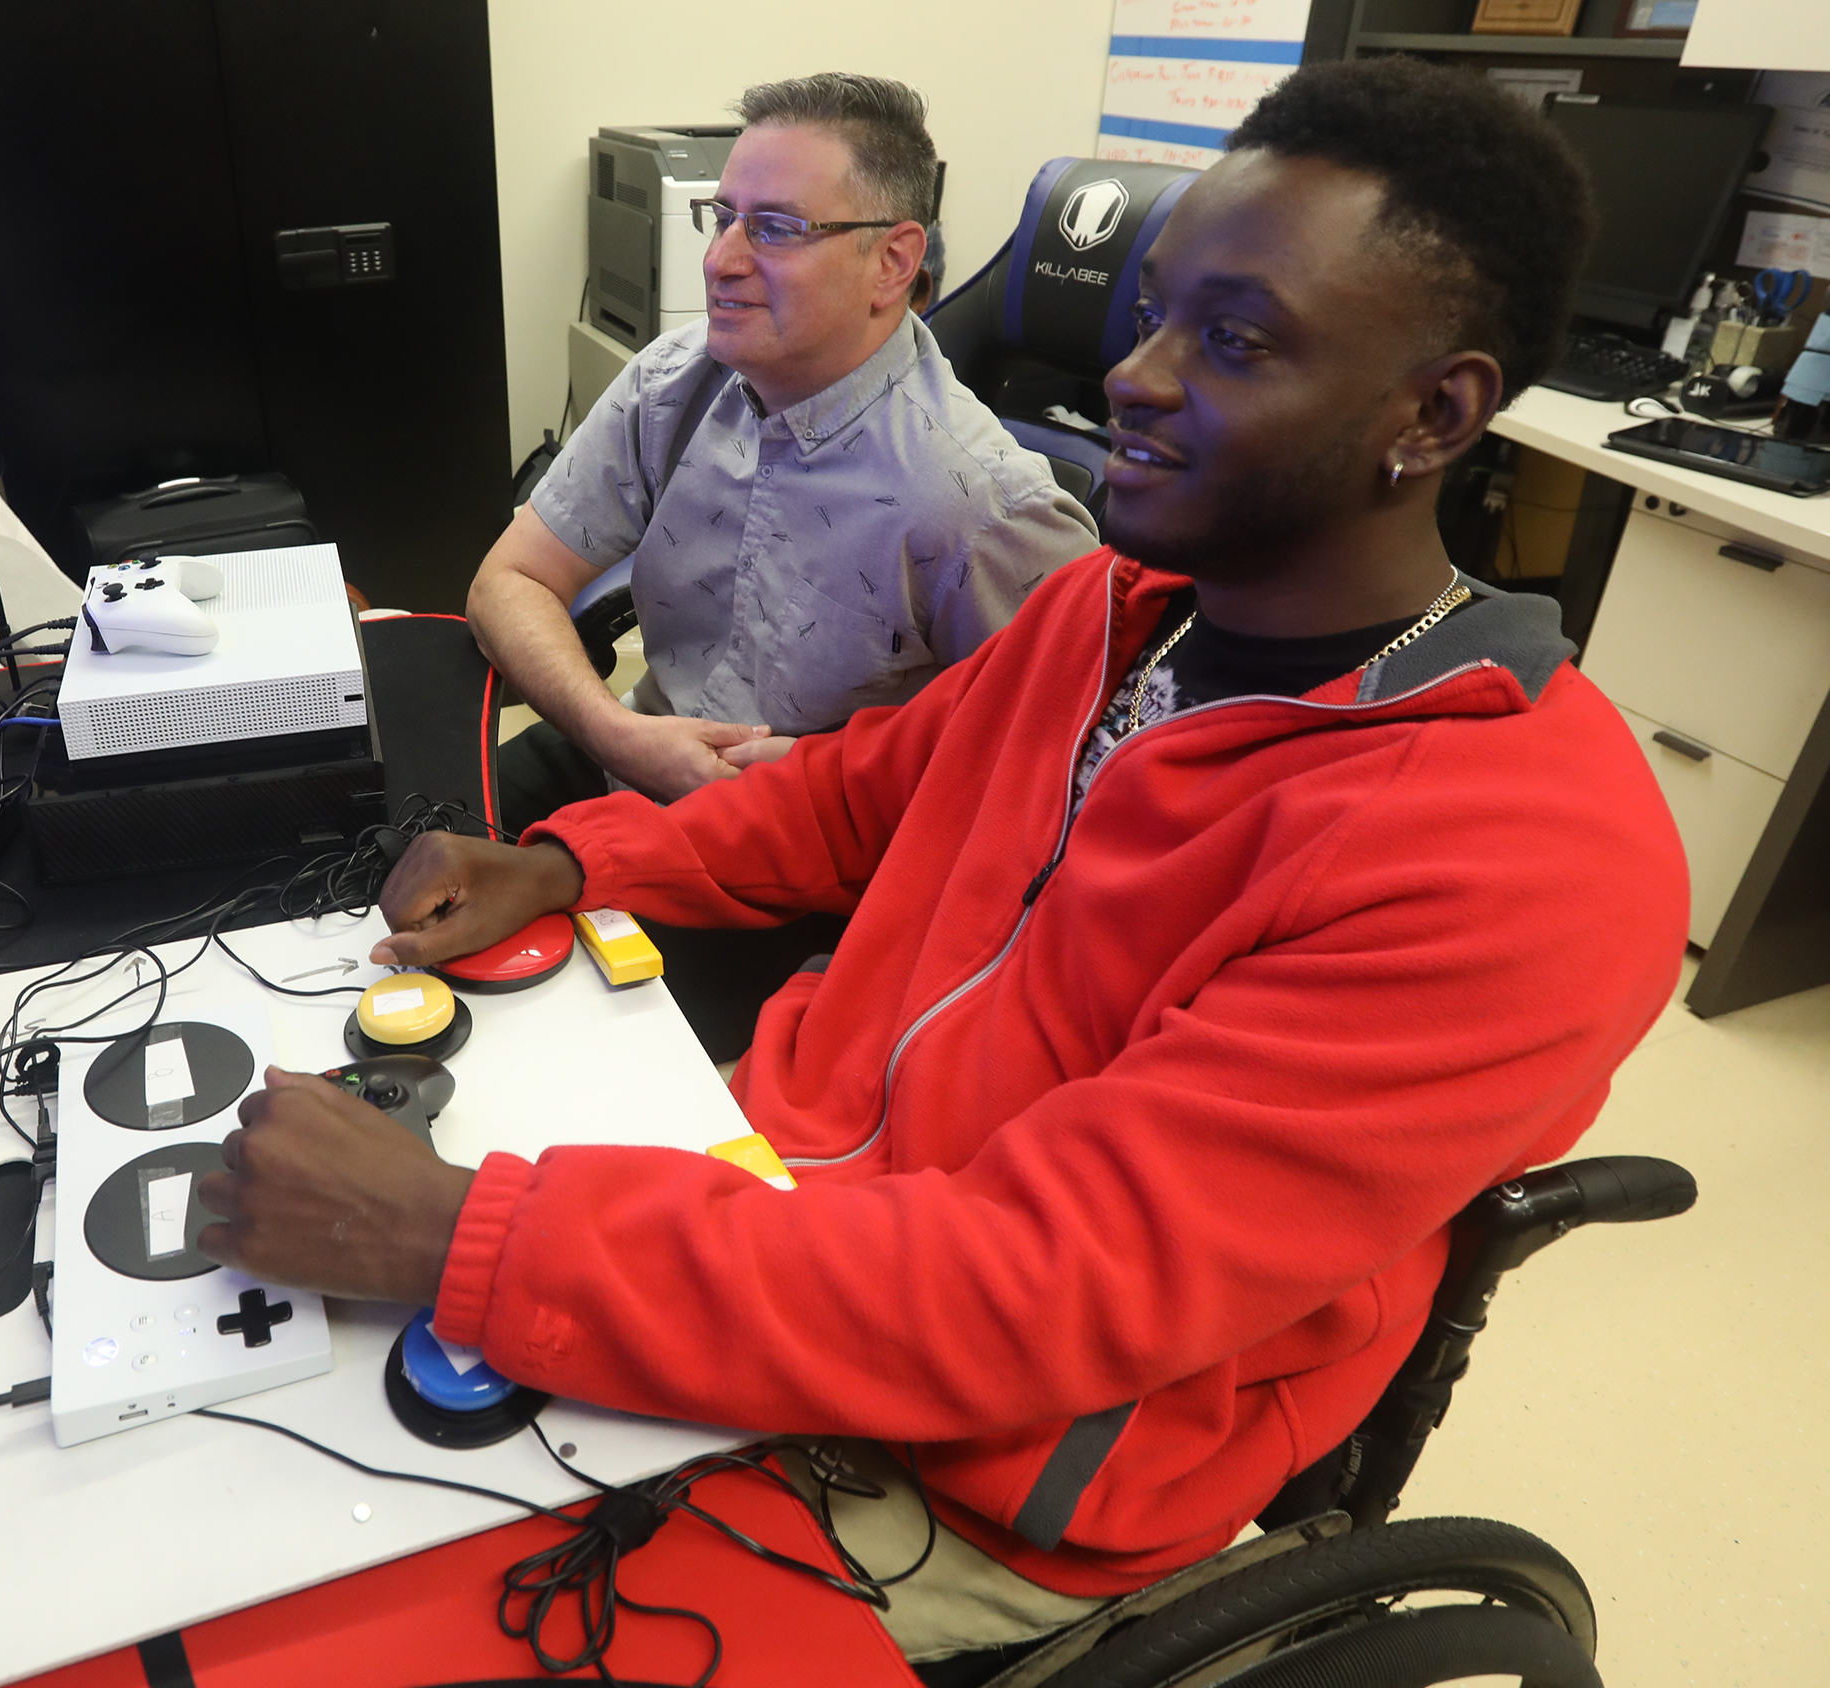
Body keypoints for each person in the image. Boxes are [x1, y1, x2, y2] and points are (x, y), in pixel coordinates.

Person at [197, 57, 1688, 1673]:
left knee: (327, 1616)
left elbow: (1039, 1290)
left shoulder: (1524, 849)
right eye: (1158, 311)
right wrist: (567, 861)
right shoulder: (1111, 609)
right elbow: (846, 801)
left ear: (1434, 413)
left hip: (975, 1458)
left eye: (1235, 340)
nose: (1139, 375)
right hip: (780, 1189)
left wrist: (450, 1238)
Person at [478, 71, 1096, 834]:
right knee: (386, 854)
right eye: (723, 218)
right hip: (630, 751)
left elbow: (1053, 766)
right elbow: (508, 578)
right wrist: (620, 736)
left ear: (893, 263)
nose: (720, 260)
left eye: (774, 228)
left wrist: (827, 785)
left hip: (795, 842)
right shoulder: (675, 378)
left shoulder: (979, 503)